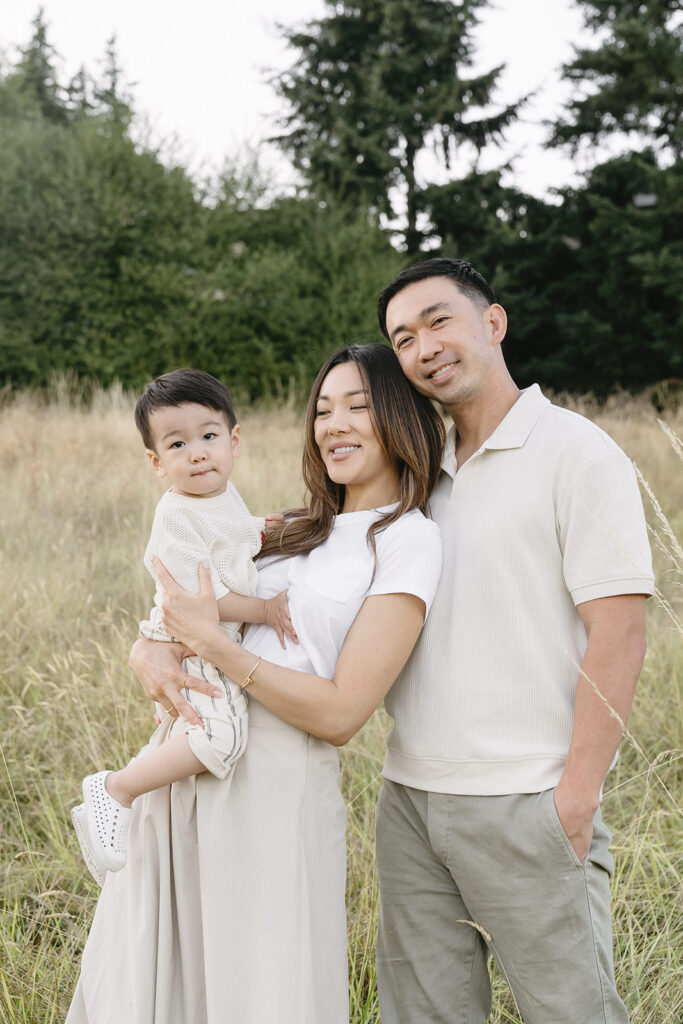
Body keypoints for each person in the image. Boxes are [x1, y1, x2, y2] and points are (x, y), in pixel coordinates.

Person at [66, 343, 445, 1024]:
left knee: (268, 988)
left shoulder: (407, 539)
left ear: (398, 417)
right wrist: (145, 650)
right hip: (188, 754)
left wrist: (210, 645)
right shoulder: (297, 526)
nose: (334, 423)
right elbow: (192, 595)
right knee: (173, 985)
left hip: (275, 775)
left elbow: (341, 715)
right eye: (323, 408)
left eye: (358, 406)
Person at [374, 257, 655, 1024]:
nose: (423, 346)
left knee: (573, 1014)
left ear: (491, 323)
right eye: (403, 338)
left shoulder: (577, 450)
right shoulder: (412, 471)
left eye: (438, 321)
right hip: (409, 801)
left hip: (528, 800)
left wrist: (574, 797)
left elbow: (620, 629)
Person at [71, 369, 296, 885]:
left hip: (197, 643)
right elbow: (204, 601)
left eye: (209, 436)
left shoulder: (220, 496)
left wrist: (266, 526)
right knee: (219, 741)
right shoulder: (175, 516)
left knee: (187, 735)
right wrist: (264, 610)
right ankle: (116, 791)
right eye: (178, 444)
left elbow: (236, 538)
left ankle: (133, 835)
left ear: (234, 442)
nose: (197, 452)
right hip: (188, 645)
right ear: (156, 462)